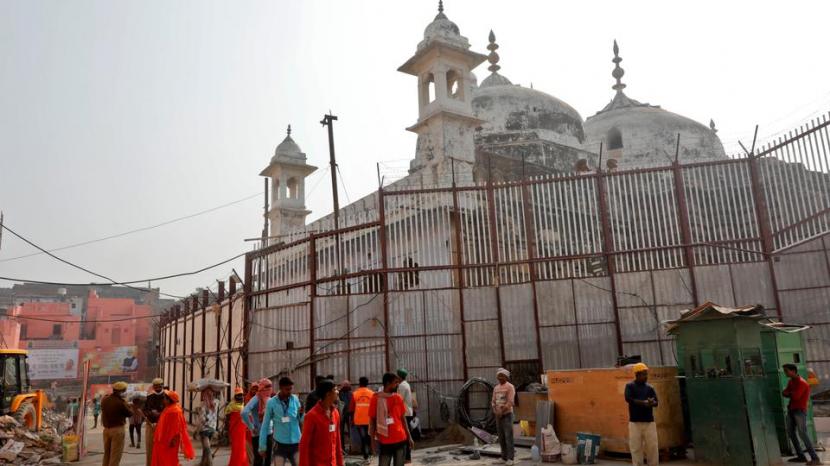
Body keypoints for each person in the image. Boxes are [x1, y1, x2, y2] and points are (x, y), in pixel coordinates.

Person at [369, 373, 413, 466]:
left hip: (400, 440)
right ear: (388, 383)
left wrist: (409, 437)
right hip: (385, 442)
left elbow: (402, 418)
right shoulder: (376, 398)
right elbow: (372, 421)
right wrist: (372, 443)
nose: (398, 385)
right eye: (395, 382)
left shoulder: (398, 397)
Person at [783, 364, 822, 465]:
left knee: (802, 433)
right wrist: (791, 393)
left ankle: (815, 458)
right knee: (791, 432)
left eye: (787, 371)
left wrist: (789, 393)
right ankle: (801, 456)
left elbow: (795, 396)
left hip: (799, 411)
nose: (785, 373)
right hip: (792, 409)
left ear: (793, 371)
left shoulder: (802, 383)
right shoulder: (791, 382)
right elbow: (784, 393)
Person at [299, 379, 343, 466]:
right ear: (328, 394)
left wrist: (340, 463)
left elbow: (337, 442)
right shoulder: (311, 416)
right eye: (335, 390)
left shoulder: (335, 413)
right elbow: (304, 446)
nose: (338, 392)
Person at [261, 377, 303, 466]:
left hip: (296, 443)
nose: (290, 391)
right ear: (280, 388)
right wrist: (262, 446)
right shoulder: (271, 403)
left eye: (291, 389)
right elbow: (265, 425)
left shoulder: (295, 399)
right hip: (280, 444)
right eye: (287, 389)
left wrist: (302, 413)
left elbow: (300, 420)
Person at [625, 363, 659, 466]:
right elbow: (628, 399)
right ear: (637, 374)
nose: (646, 376)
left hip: (649, 422)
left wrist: (651, 402)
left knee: (652, 447)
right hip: (635, 422)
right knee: (636, 448)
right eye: (644, 374)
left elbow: (656, 402)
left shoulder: (650, 388)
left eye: (646, 374)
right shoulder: (630, 386)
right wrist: (643, 402)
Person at [151, 391, 195, 466]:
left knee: (168, 460)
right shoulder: (168, 408)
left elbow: (176, 428)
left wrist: (173, 440)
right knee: (162, 460)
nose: (163, 399)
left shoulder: (174, 411)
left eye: (165, 398)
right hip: (162, 440)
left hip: (169, 442)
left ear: (169, 400)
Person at [101, 381, 133, 466]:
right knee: (115, 455)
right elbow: (129, 414)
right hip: (117, 430)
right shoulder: (120, 402)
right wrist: (129, 405)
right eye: (125, 390)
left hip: (106, 430)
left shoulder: (105, 400)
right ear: (121, 391)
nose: (125, 392)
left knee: (107, 454)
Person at [242, 378, 274, 466]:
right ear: (262, 388)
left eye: (270, 387)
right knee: (259, 460)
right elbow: (244, 412)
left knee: (267, 459)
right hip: (258, 433)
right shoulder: (257, 398)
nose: (269, 389)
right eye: (267, 387)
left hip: (269, 432)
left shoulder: (268, 398)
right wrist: (251, 427)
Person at [491, 368, 515, 466]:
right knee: (501, 437)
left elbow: (510, 402)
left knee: (508, 436)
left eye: (502, 376)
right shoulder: (496, 388)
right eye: (498, 376)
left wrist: (502, 410)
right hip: (498, 415)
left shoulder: (510, 387)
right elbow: (493, 401)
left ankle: (510, 458)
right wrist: (495, 410)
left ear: (506, 377)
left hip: (507, 415)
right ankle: (503, 457)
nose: (500, 378)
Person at [349, 377, 374, 463]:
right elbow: (375, 407)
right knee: (368, 437)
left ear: (359, 383)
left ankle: (366, 455)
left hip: (359, 420)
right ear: (367, 383)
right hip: (369, 420)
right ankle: (368, 454)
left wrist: (351, 420)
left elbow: (351, 409)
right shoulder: (372, 394)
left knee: (363, 438)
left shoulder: (355, 394)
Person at [143, 378, 166, 466]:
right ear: (153, 386)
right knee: (150, 449)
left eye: (159, 386)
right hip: (151, 425)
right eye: (155, 386)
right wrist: (151, 413)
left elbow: (170, 410)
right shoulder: (149, 397)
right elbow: (145, 410)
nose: (157, 388)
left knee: (162, 449)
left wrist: (159, 414)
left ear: (162, 385)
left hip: (163, 427)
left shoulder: (167, 396)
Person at [198, 388, 221, 466]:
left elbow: (202, 418)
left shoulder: (203, 404)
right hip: (213, 428)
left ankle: (209, 463)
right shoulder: (216, 403)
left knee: (207, 449)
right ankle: (203, 463)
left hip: (204, 429)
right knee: (206, 448)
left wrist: (201, 413)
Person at [225, 388, 249, 466]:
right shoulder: (231, 405)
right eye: (238, 395)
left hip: (242, 428)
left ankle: (242, 462)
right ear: (235, 396)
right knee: (236, 447)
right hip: (235, 429)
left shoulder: (243, 404)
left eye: (241, 395)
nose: (240, 397)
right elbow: (227, 415)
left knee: (242, 447)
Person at [396, 369, 415, 464]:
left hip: (405, 413)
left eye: (397, 376)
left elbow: (398, 399)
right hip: (408, 412)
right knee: (406, 435)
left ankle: (407, 457)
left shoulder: (402, 386)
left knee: (405, 436)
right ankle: (407, 456)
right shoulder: (406, 384)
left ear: (399, 376)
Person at [338, 380, 353, 454]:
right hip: (343, 414)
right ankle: (343, 448)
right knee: (341, 431)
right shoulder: (342, 393)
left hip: (345, 414)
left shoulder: (342, 393)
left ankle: (348, 448)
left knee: (343, 431)